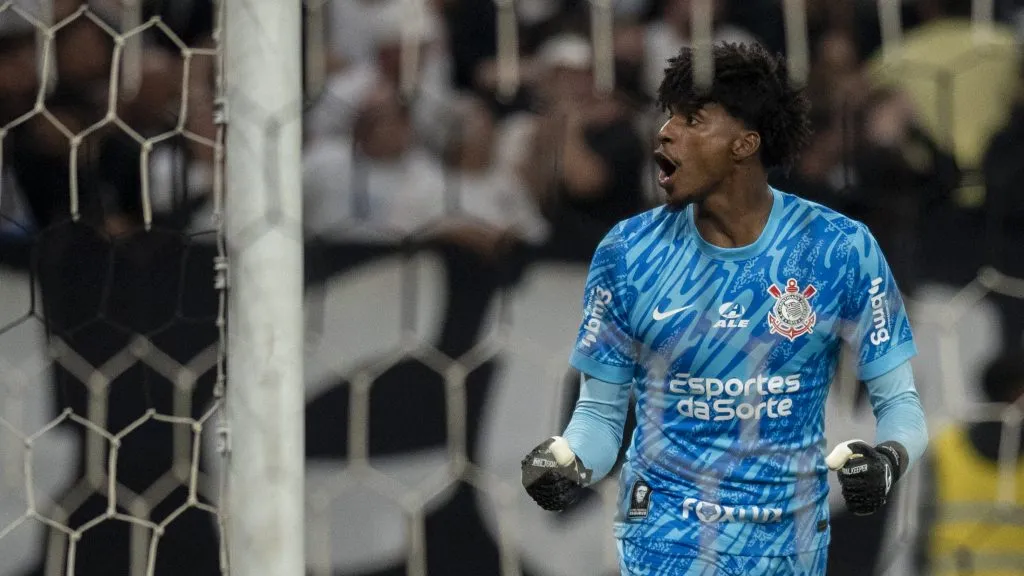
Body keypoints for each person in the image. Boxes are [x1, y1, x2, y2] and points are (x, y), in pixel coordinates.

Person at [519, 43, 929, 575]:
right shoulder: (629, 252)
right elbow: (599, 415)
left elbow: (902, 405)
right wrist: (568, 463)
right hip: (664, 543)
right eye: (668, 117)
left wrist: (887, 460)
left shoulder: (838, 248)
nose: (665, 133)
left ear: (745, 143)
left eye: (692, 121)